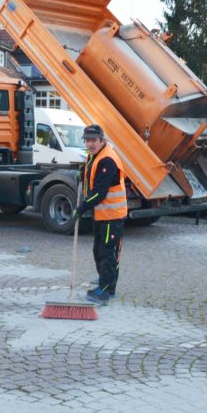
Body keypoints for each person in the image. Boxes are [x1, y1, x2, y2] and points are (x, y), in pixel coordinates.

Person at [75, 124, 127, 306]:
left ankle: (106, 289)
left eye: (93, 140)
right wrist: (82, 174)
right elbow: (92, 174)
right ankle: (104, 280)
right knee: (98, 251)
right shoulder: (94, 155)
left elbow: (99, 192)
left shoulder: (108, 160)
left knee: (107, 253)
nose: (90, 144)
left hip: (112, 215)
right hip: (101, 214)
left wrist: (80, 209)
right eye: (87, 140)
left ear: (101, 140)